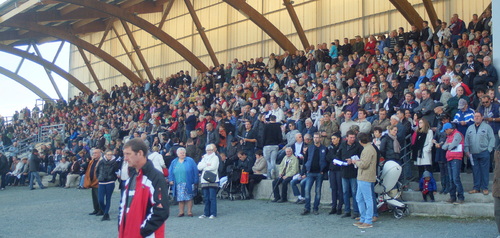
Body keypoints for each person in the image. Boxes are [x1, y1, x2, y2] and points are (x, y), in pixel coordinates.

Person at [119, 138, 169, 238]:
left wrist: (142, 231)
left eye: (128, 154)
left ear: (140, 153)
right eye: (124, 154)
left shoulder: (155, 177)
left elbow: (161, 210)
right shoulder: (132, 176)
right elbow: (123, 207)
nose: (125, 158)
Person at [464, 112, 495, 195]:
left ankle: (485, 188)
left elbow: (492, 139)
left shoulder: (487, 127)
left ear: (482, 117)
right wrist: (466, 150)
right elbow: (466, 140)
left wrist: (489, 149)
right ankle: (476, 188)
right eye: (475, 116)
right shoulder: (470, 128)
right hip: (473, 154)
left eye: (478, 116)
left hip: (484, 152)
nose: (476, 118)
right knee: (475, 171)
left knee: (484, 171)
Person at [351, 132, 377, 229]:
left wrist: (355, 162)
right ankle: (363, 218)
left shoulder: (368, 150)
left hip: (366, 176)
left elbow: (364, 164)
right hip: (363, 176)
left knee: (367, 199)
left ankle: (368, 220)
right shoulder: (368, 148)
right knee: (360, 198)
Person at [301, 132, 328, 215]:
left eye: (317, 137)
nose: (316, 139)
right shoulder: (310, 148)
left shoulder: (324, 149)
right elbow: (305, 160)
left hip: (319, 173)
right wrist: (304, 171)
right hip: (310, 173)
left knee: (318, 191)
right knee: (307, 190)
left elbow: (327, 161)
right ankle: (307, 208)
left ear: (320, 138)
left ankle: (315, 208)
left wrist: (324, 170)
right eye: (314, 137)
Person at [338, 130, 363, 218]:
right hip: (344, 171)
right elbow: (339, 155)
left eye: (354, 137)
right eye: (351, 137)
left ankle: (356, 211)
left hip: (353, 172)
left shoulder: (358, 146)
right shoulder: (343, 145)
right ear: (347, 137)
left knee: (354, 192)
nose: (352, 139)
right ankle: (347, 210)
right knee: (345, 192)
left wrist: (353, 161)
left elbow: (361, 157)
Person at [168, 147, 199, 217]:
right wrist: (171, 180)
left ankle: (189, 211)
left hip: (188, 182)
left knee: (189, 197)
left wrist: (196, 180)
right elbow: (170, 172)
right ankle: (181, 212)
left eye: (184, 153)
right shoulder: (174, 162)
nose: (182, 154)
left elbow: (195, 170)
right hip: (178, 182)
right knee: (180, 198)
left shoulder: (190, 160)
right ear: (177, 154)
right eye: (181, 153)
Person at [441, 123, 465, 204]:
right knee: (451, 179)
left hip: (456, 158)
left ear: (449, 129)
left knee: (456, 178)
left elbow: (452, 146)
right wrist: (448, 145)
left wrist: (448, 145)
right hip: (450, 158)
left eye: (445, 130)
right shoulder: (449, 136)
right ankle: (452, 196)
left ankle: (461, 197)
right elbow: (443, 147)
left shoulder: (457, 134)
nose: (445, 132)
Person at [197, 144, 220, 219]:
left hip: (212, 180)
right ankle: (206, 213)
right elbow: (199, 167)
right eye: (207, 150)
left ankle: (213, 213)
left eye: (210, 150)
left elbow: (213, 167)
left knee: (212, 197)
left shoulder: (215, 157)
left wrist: (204, 166)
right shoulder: (204, 158)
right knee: (206, 198)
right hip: (204, 180)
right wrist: (207, 164)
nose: (209, 152)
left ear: (213, 150)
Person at [96, 150, 119, 221]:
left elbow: (117, 172)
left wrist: (113, 179)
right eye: (108, 154)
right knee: (100, 199)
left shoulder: (115, 163)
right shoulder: (101, 162)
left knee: (108, 198)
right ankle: (105, 210)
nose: (109, 156)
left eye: (111, 155)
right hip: (102, 182)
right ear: (105, 155)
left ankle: (106, 213)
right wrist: (99, 178)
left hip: (110, 182)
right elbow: (97, 171)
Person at [327, 133, 343, 215]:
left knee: (340, 188)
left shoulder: (341, 146)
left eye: (334, 138)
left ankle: (339, 207)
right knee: (333, 188)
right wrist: (334, 157)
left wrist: (334, 157)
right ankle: (333, 206)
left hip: (339, 169)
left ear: (338, 139)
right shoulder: (330, 147)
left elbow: (340, 157)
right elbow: (328, 157)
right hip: (332, 169)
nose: (333, 140)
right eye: (332, 139)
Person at [85, 149, 103, 216]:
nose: (94, 154)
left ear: (100, 153)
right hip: (92, 181)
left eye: (95, 153)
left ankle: (101, 210)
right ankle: (96, 209)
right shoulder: (92, 161)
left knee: (99, 197)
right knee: (94, 197)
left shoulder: (101, 161)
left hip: (98, 181)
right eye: (93, 153)